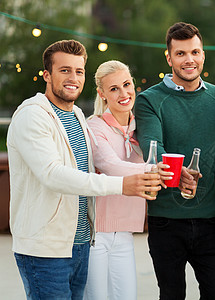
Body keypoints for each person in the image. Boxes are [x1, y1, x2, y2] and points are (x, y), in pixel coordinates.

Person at [7, 40, 160, 300]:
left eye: (79, 71)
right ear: (47, 75)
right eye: (64, 70)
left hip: (79, 244)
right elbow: (53, 175)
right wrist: (122, 185)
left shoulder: (77, 115)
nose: (73, 78)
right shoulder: (32, 116)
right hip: (46, 250)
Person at [134, 22, 215, 300]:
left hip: (212, 220)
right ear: (169, 57)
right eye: (180, 54)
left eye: (195, 52)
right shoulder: (149, 100)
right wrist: (178, 176)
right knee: (171, 294)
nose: (189, 59)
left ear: (203, 54)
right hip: (166, 220)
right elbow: (153, 147)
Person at [84, 60, 163, 300]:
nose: (123, 93)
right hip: (97, 233)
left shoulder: (143, 127)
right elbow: (110, 165)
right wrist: (154, 168)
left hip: (126, 230)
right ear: (102, 94)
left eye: (127, 84)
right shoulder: (94, 126)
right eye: (114, 88)